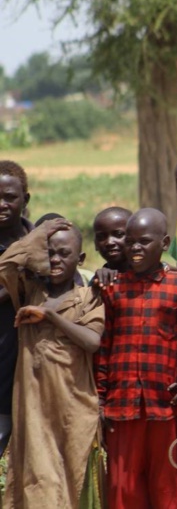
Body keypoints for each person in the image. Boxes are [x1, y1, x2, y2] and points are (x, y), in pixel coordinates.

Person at [0, 218, 104, 507]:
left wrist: (51, 316)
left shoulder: (89, 297)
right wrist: (37, 235)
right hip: (32, 408)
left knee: (67, 481)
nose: (56, 260)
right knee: (35, 480)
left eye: (64, 253)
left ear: (80, 258)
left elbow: (92, 341)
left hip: (72, 409)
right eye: (50, 253)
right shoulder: (29, 290)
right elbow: (5, 265)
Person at [95, 208, 177, 509]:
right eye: (131, 241)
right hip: (121, 404)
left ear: (164, 243)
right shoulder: (112, 288)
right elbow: (103, 348)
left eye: (144, 241)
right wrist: (100, 399)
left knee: (167, 488)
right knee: (124, 488)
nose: (135, 248)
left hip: (164, 404)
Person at [0, 160, 32, 457]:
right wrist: (16, 287)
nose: (2, 204)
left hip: (33, 377)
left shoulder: (43, 246)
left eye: (10, 197)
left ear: (25, 199)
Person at [92, 206, 132, 272]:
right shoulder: (99, 281)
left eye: (118, 235)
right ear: (95, 244)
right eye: (101, 237)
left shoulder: (150, 278)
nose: (109, 242)